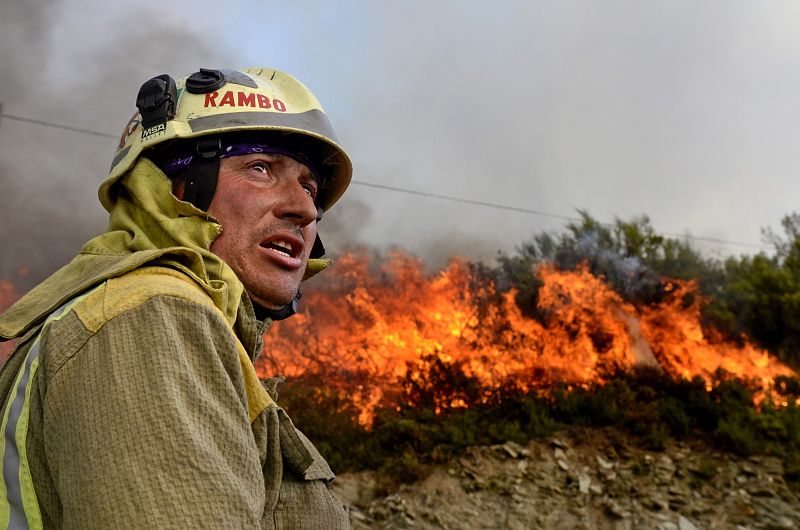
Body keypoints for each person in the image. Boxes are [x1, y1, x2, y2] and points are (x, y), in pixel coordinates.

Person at [0, 67, 352, 529]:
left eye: (310, 187)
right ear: (172, 188)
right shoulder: (152, 314)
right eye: (261, 168)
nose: (304, 208)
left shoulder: (166, 321)